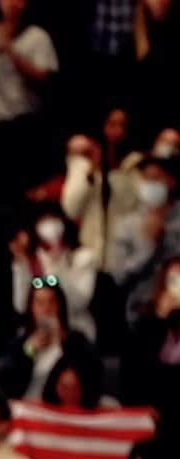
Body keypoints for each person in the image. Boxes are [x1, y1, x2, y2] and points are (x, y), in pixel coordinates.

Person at [0, 0, 58, 194]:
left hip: (24, 123)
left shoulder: (38, 36)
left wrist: (9, 49)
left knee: (21, 189)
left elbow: (43, 78)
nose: (12, 4)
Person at [0, 278, 100, 400]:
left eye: (52, 302)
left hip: (65, 410)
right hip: (30, 408)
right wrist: (30, 351)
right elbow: (10, 388)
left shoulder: (76, 341)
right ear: (31, 308)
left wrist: (64, 341)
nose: (46, 309)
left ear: (60, 306)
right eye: (40, 303)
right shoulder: (20, 344)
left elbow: (92, 380)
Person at [60, 115, 140, 269]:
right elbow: (71, 209)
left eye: (122, 125)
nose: (117, 131)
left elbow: (130, 203)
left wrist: (112, 171)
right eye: (112, 124)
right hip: (91, 254)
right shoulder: (83, 161)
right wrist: (92, 171)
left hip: (125, 255)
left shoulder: (136, 163)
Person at [9, 203, 98, 340]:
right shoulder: (31, 259)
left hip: (75, 332)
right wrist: (20, 266)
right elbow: (21, 306)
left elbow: (80, 302)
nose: (50, 227)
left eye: (53, 219)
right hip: (39, 335)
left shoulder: (83, 258)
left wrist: (58, 265)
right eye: (43, 220)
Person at [110, 153, 180, 326]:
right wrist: (148, 246)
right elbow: (119, 276)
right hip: (140, 314)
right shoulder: (127, 224)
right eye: (146, 179)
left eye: (156, 178)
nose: (150, 185)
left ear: (171, 181)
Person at [122, 255, 180, 430]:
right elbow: (135, 371)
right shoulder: (147, 325)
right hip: (150, 414)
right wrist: (159, 320)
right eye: (174, 280)